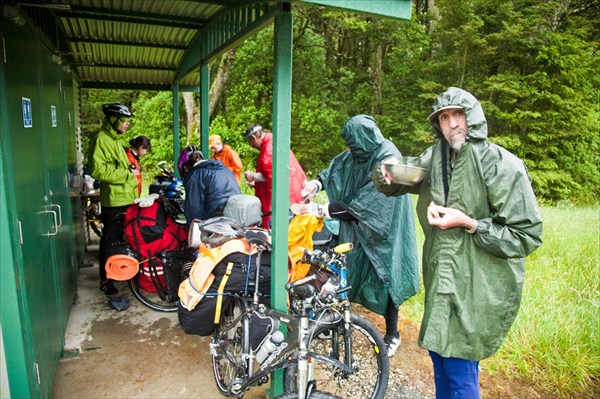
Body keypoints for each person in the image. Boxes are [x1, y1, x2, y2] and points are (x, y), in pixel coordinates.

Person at [372, 87, 543, 398]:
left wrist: (470, 223)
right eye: (443, 117)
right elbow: (402, 179)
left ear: (473, 117)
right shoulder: (436, 158)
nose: (451, 123)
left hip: (478, 283)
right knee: (440, 355)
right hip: (441, 276)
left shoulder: (500, 164)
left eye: (458, 114)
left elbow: (526, 236)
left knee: (460, 366)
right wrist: (386, 173)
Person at [296, 115, 420, 357]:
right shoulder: (358, 151)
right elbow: (337, 166)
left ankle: (392, 333)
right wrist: (316, 184)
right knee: (348, 268)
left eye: (350, 144)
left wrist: (321, 209)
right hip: (358, 229)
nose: (347, 149)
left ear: (362, 140)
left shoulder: (387, 158)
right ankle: (338, 320)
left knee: (386, 278)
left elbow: (364, 205)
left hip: (386, 233)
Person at [88, 103, 139, 295]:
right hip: (114, 201)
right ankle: (106, 279)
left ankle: (120, 272)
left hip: (126, 198)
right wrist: (127, 175)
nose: (127, 125)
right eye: (124, 121)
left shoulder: (116, 139)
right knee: (109, 240)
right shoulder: (101, 140)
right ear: (113, 120)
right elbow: (97, 170)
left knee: (122, 238)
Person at [244, 124, 307, 228]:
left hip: (287, 196)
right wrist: (256, 182)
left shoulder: (269, 149)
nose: (251, 145)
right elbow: (270, 174)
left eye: (249, 142)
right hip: (293, 189)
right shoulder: (273, 142)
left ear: (253, 138)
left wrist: (253, 176)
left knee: (284, 226)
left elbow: (275, 177)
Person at [181, 149, 241, 223]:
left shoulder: (195, 174)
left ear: (186, 168)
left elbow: (194, 209)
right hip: (238, 212)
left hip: (218, 215)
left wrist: (192, 228)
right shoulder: (225, 169)